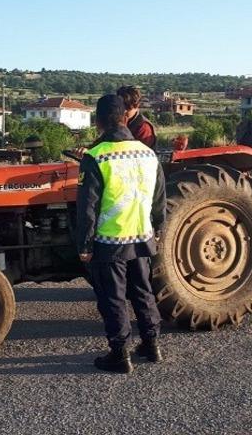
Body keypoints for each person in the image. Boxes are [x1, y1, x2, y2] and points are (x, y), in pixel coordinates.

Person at [76, 94, 166, 374]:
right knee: (142, 292)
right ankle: (152, 346)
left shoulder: (96, 156)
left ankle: (119, 354)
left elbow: (87, 207)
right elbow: (159, 198)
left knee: (113, 297)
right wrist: (158, 230)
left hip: (110, 240)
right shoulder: (148, 153)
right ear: (125, 118)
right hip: (142, 235)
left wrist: (84, 243)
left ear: (98, 120)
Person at [73, 86, 156, 157]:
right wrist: (88, 150)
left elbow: (138, 155)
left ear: (137, 106)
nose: (124, 111)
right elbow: (104, 141)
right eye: (122, 107)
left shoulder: (144, 128)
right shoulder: (116, 124)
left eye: (128, 108)